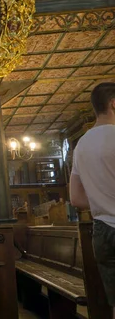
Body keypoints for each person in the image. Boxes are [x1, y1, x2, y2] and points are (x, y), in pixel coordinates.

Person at [70, 82, 115, 318]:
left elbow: (76, 198)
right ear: (113, 103)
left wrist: (101, 199)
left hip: (102, 231)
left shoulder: (81, 146)